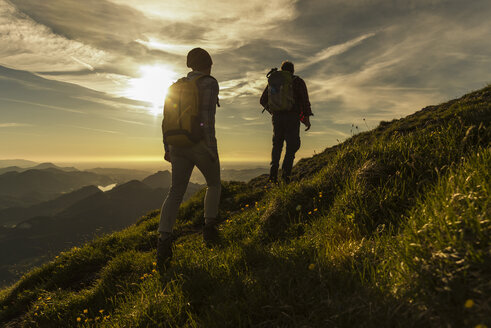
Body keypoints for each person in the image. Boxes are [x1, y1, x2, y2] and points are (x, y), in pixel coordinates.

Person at [157, 48, 221, 270]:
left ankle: (163, 241)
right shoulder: (209, 83)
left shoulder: (174, 86)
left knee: (175, 192)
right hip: (199, 144)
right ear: (208, 64)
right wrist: (211, 148)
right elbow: (207, 118)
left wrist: (168, 147)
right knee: (213, 184)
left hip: (176, 144)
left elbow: (166, 120)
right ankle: (209, 228)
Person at [260, 60, 312, 183]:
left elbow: (262, 100)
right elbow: (305, 101)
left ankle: (273, 176)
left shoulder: (274, 82)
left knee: (277, 145)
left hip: (277, 118)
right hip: (292, 118)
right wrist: (307, 118)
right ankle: (285, 176)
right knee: (292, 146)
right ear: (292, 71)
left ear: (282, 70)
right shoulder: (297, 81)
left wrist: (273, 111)